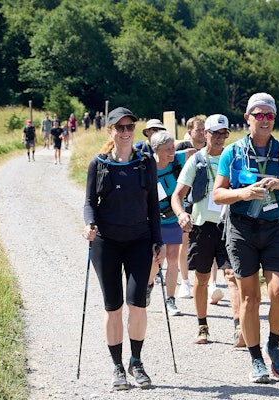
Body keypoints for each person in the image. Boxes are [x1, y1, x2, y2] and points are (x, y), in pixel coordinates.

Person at [213, 92, 279, 383]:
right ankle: (256, 357)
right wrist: (243, 193)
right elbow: (218, 194)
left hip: (272, 228)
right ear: (247, 119)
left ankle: (274, 345)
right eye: (259, 115)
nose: (265, 120)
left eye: (270, 115)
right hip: (241, 229)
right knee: (250, 297)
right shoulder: (233, 152)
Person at [83, 106, 165, 390]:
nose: (126, 132)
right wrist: (90, 225)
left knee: (138, 305)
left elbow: (153, 204)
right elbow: (89, 203)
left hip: (139, 241)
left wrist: (158, 241)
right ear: (111, 131)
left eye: (130, 127)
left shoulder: (145, 163)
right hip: (106, 242)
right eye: (120, 128)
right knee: (114, 307)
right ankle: (117, 366)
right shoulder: (99, 164)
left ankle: (136, 361)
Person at [171, 114, 244, 347]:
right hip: (202, 227)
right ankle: (202, 325)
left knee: (232, 277)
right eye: (217, 133)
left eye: (225, 134)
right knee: (202, 278)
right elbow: (177, 196)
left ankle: (238, 326)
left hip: (229, 226)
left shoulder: (234, 159)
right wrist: (182, 214)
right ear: (206, 134)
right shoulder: (197, 160)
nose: (221, 138)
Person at [146, 130, 192, 316]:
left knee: (173, 258)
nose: (172, 152)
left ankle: (170, 300)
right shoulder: (147, 165)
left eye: (173, 147)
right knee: (156, 259)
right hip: (154, 220)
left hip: (174, 217)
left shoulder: (179, 158)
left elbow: (197, 152)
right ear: (156, 150)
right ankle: (149, 285)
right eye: (167, 149)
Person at [175, 116, 205, 299]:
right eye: (198, 130)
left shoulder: (213, 149)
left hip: (206, 200)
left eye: (204, 129)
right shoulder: (181, 150)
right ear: (190, 132)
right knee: (184, 240)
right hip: (187, 198)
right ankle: (185, 282)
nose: (202, 133)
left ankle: (212, 283)